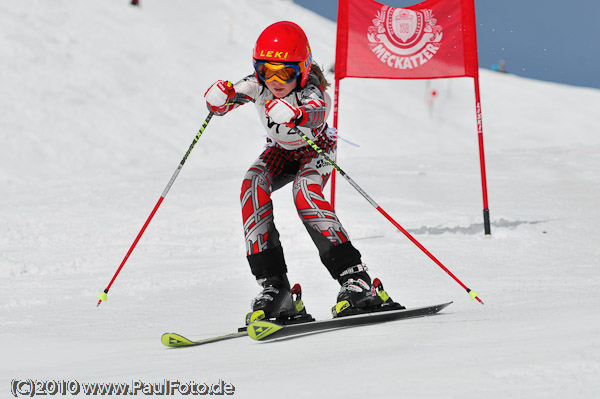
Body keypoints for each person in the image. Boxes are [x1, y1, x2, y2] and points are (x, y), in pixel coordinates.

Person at [203, 21, 402, 322]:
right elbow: (231, 98)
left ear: (303, 69)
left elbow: (316, 112)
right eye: (267, 70)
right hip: (281, 151)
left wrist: (296, 113)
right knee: (252, 183)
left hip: (316, 149)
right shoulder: (259, 84)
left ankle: (355, 278)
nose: (275, 80)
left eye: (285, 72)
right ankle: (275, 287)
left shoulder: (312, 89)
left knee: (305, 193)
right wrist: (218, 98)